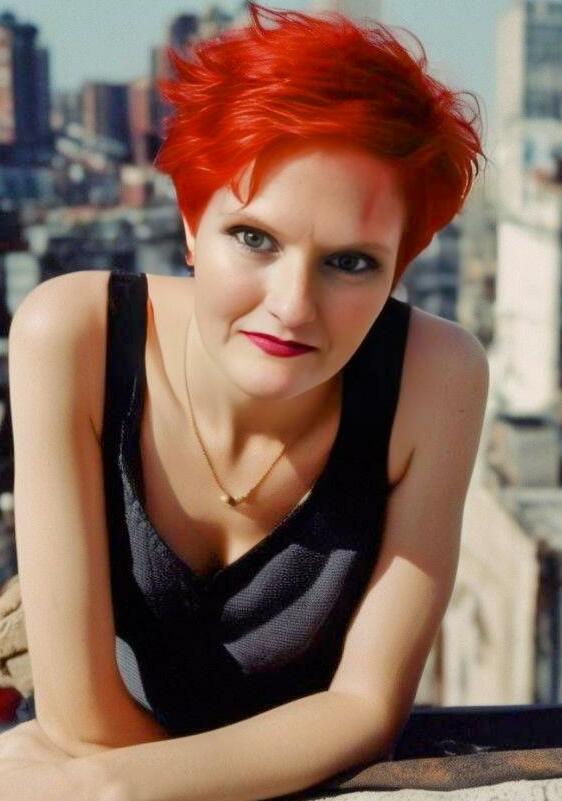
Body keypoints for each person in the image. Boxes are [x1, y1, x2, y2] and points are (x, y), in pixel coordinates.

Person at [1, 3, 489, 799]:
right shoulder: (75, 334)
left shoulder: (434, 378)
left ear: (401, 267)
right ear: (191, 223)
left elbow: (366, 707)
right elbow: (79, 718)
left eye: (351, 262)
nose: (292, 305)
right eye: (255, 238)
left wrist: (108, 789)